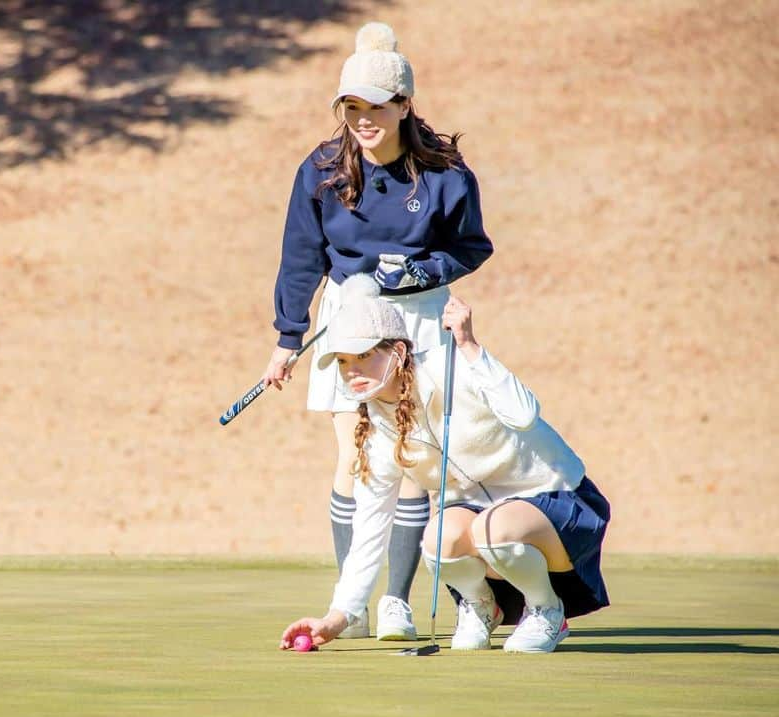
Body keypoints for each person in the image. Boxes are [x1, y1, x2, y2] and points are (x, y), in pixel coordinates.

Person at [261, 21, 494, 640]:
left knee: (412, 455)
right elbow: (301, 257)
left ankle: (395, 600)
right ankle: (351, 603)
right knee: (355, 456)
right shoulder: (320, 169)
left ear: (403, 105)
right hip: (349, 318)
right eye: (352, 108)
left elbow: (472, 247)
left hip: (418, 316)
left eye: (376, 107)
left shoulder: (445, 172)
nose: (363, 119)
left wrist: (424, 267)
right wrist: (288, 340)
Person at [278, 274, 610, 654]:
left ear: (399, 352)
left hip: (557, 504)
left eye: (364, 356)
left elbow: (524, 414)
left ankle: (548, 610)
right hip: (485, 521)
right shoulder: (377, 429)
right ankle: (484, 605)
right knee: (439, 538)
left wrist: (470, 346)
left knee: (492, 528)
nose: (351, 370)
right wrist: (336, 618)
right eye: (342, 360)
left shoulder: (453, 364)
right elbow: (370, 526)